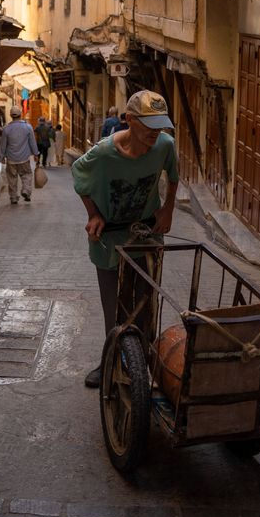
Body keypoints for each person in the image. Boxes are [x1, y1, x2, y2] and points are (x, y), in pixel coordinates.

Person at [71, 90, 179, 388]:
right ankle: (110, 361)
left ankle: (142, 362)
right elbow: (78, 173)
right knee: (114, 306)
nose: (155, 133)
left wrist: (167, 209)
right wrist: (93, 214)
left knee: (146, 301)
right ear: (130, 120)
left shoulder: (165, 146)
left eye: (160, 126)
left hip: (146, 233)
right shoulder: (105, 153)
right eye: (149, 126)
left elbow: (173, 175)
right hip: (109, 236)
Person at [0, 105, 39, 204]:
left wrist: (1, 157)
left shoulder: (6, 129)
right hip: (24, 158)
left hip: (11, 159)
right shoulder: (28, 127)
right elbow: (32, 142)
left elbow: (3, 144)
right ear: (20, 115)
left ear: (11, 115)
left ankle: (13, 197)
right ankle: (26, 190)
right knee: (27, 175)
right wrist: (36, 154)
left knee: (12, 178)